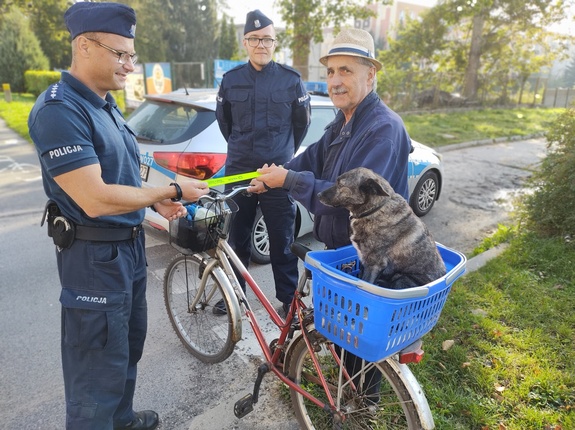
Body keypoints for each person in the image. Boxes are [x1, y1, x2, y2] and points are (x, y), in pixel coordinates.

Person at [27, 3, 208, 429]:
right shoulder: (59, 110)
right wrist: (172, 190)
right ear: (85, 47)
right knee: (96, 369)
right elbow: (93, 197)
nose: (130, 65)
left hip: (126, 253)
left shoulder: (104, 105)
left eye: (132, 55)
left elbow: (123, 172)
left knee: (126, 347)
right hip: (92, 259)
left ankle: (121, 419)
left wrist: (154, 199)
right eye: (121, 54)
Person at [250, 27, 412, 401]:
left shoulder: (382, 129)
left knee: (361, 344)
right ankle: (347, 395)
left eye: (346, 71)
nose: (335, 81)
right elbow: (314, 156)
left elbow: (350, 196)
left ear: (370, 75)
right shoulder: (345, 119)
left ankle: (361, 406)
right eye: (331, 71)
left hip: (372, 255)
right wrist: (273, 177)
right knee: (344, 335)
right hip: (343, 249)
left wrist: (288, 179)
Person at [215, 9, 310, 315]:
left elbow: (301, 125)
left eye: (267, 39)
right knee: (237, 238)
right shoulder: (231, 81)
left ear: (274, 42)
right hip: (239, 172)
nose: (261, 45)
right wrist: (242, 152)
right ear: (245, 42)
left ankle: (288, 301)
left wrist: (283, 155)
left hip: (277, 174)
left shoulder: (291, 81)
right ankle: (233, 297)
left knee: (281, 239)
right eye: (255, 39)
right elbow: (224, 123)